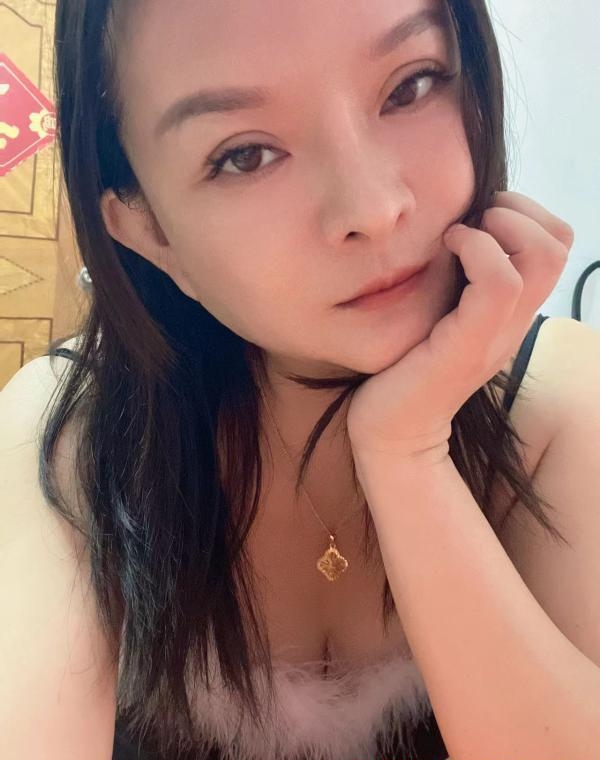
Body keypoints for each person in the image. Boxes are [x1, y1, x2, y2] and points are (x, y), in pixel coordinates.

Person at [3, 0, 593, 759]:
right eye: (245, 155)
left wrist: (407, 455)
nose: (374, 208)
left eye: (411, 86)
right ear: (149, 231)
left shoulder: (556, 402)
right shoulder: (67, 439)